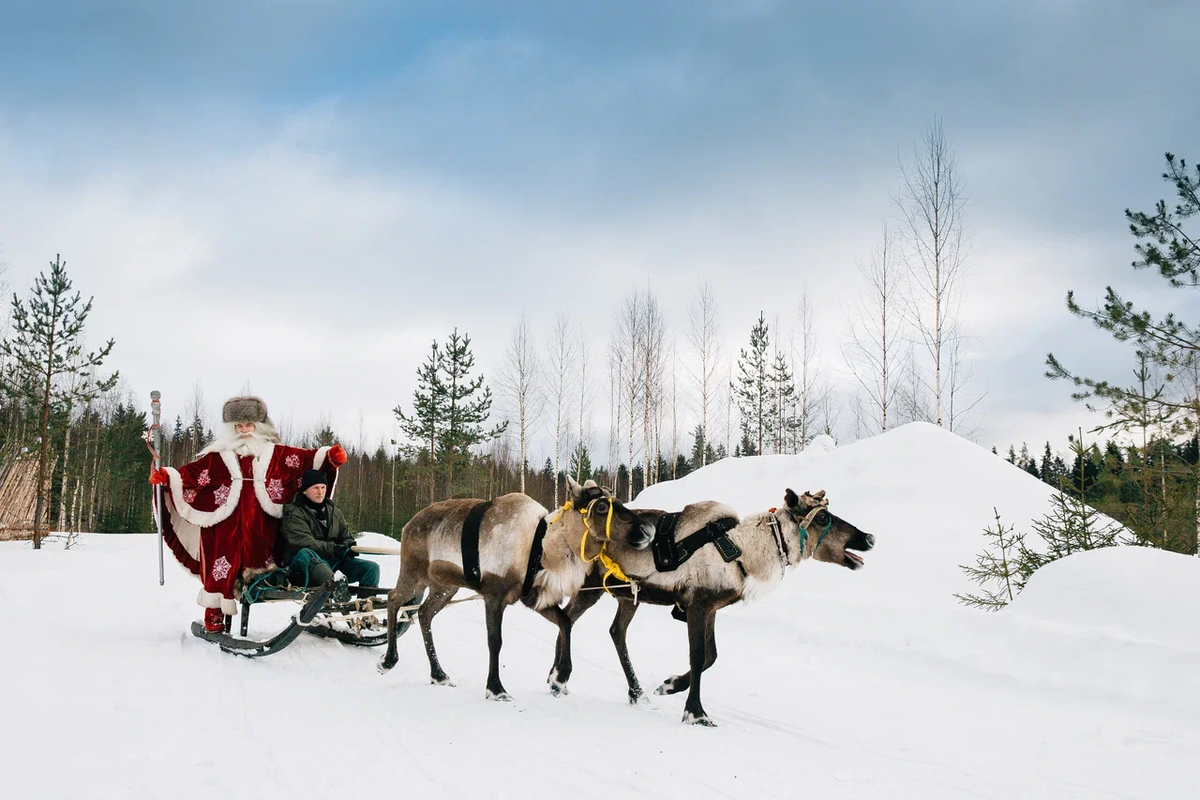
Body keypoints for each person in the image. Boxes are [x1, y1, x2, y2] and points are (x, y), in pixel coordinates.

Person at [149, 395, 347, 632]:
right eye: (238, 426)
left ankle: (293, 600)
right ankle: (214, 613)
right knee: (220, 565)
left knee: (268, 562)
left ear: (259, 426)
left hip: (262, 524)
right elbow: (191, 474)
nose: (244, 430)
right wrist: (167, 477)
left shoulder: (276, 454)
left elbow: (304, 460)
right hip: (224, 523)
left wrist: (328, 457)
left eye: (248, 425)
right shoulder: (218, 456)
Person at [278, 470, 380, 590]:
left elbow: (345, 535)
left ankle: (366, 603)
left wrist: (348, 546)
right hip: (304, 566)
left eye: (323, 487)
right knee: (306, 553)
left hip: (333, 563)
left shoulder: (334, 511)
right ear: (305, 490)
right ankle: (336, 589)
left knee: (371, 568)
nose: (320, 492)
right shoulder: (294, 512)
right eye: (315, 488)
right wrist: (333, 549)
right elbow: (302, 541)